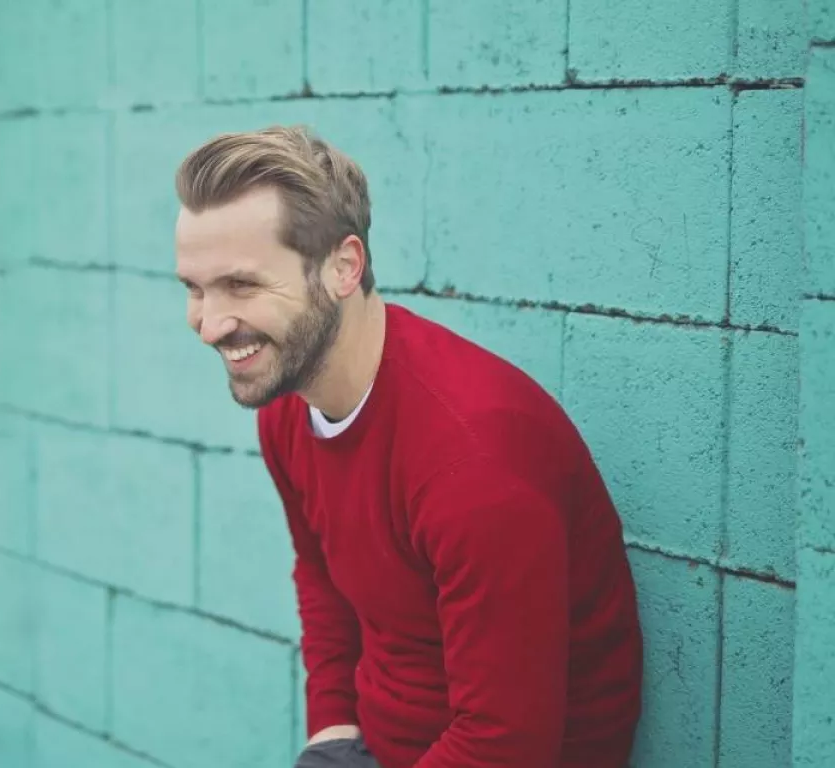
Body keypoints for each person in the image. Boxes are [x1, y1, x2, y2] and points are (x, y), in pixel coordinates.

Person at [171, 125, 645, 768]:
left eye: (242, 285)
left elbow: (507, 744)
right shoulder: (290, 406)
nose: (208, 324)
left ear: (344, 267)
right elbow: (322, 576)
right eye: (195, 289)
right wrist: (332, 725)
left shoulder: (473, 463)